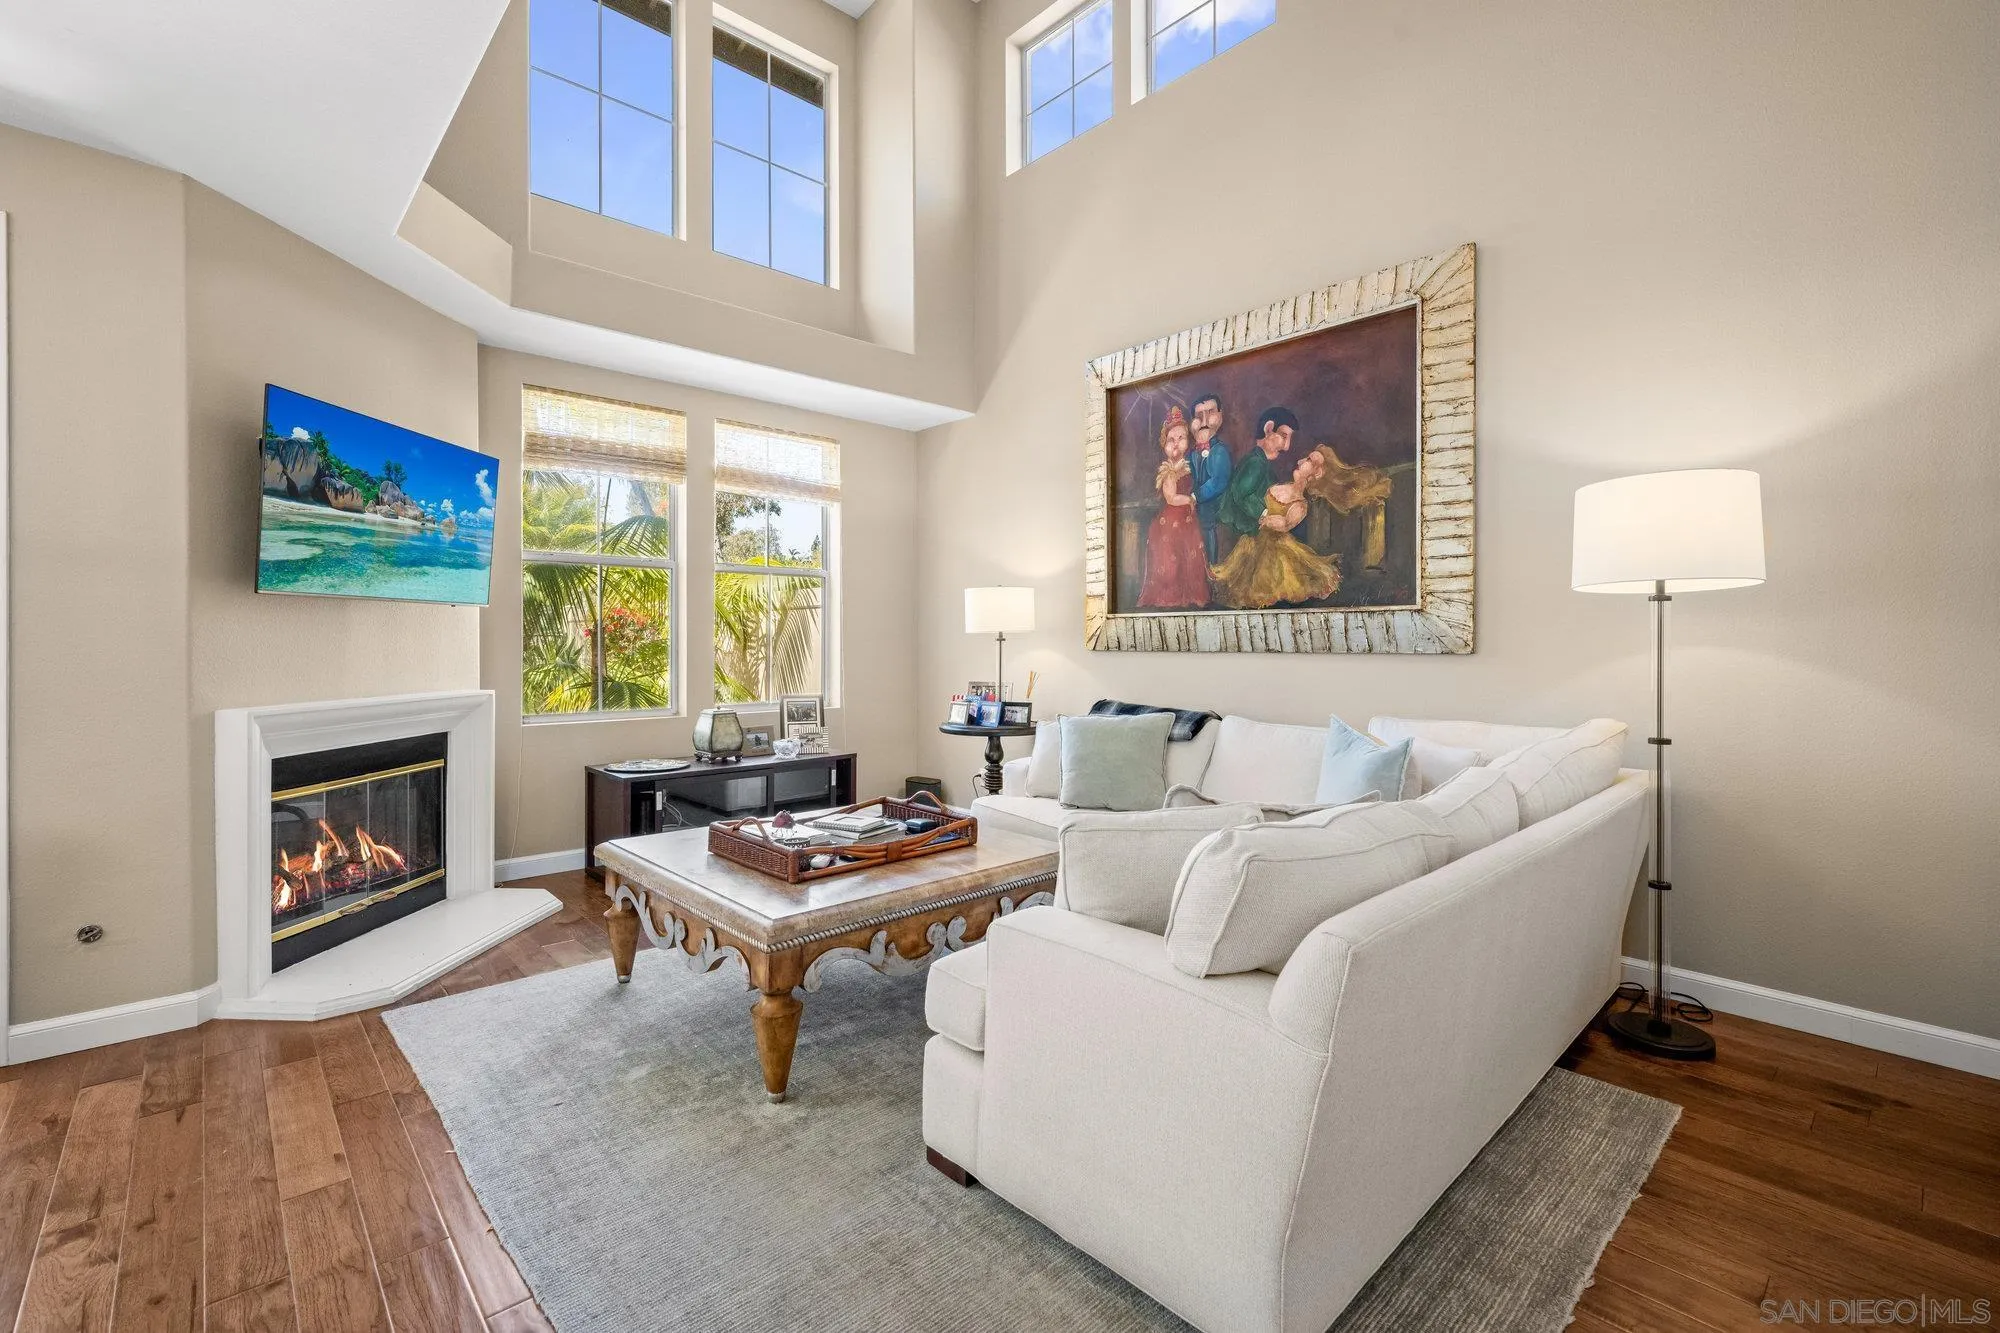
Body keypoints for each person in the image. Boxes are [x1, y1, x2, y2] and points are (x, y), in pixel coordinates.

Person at [1209, 449, 1342, 608]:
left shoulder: (1300, 504)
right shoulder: (1280, 486)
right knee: (1239, 573)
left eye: (1308, 459)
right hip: (1255, 539)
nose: (1301, 460)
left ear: (1317, 473)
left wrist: (1269, 519)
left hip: (1276, 546)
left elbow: (1286, 524)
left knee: (1268, 580)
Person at [1137, 407, 1210, 608]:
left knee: (1190, 557)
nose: (1176, 443)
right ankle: (1171, 600)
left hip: (1186, 522)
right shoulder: (1169, 470)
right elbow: (1170, 498)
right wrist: (1189, 500)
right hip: (1170, 522)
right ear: (1164, 445)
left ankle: (1190, 597)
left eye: (1181, 438)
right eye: (1171, 440)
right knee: (1171, 561)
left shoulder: (1189, 464)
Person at [1215, 407, 1298, 545]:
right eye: (1284, 436)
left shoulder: (1262, 464)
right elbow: (1241, 494)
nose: (1286, 446)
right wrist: (1265, 515)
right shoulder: (1256, 463)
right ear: (1268, 429)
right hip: (1239, 533)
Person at [1187, 391, 1234, 562]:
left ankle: (1210, 571)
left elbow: (1218, 482)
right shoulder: (1191, 453)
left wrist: (1195, 495)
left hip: (1214, 512)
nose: (1205, 420)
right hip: (1192, 513)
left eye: (1211, 412)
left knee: (1208, 542)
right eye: (1199, 415)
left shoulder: (1219, 450)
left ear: (1220, 416)